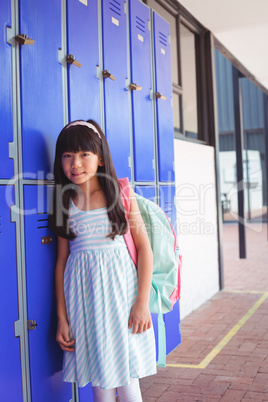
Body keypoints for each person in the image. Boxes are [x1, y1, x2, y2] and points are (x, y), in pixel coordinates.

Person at [49, 120, 156, 401]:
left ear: (99, 157)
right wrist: (62, 318)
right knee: (100, 379)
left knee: (126, 377)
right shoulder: (64, 201)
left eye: (85, 154)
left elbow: (145, 249)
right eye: (68, 155)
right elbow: (61, 262)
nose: (76, 163)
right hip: (84, 300)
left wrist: (142, 304)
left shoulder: (118, 195)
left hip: (122, 298)